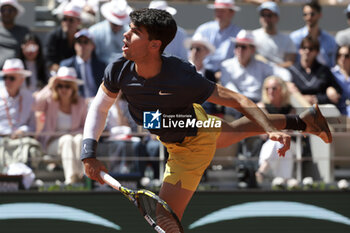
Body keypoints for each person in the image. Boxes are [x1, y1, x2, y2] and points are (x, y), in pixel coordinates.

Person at [80, 8, 332, 220]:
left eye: (135, 31)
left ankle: (301, 122)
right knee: (234, 131)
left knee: (164, 221)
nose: (126, 33)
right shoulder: (118, 70)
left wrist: (270, 130)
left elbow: (237, 99)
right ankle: (304, 121)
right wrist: (89, 153)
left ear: (155, 45)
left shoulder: (181, 76)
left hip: (189, 145)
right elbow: (100, 107)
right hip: (182, 121)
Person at [35, 66, 87, 185]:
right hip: (52, 143)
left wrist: (69, 133)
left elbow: (86, 127)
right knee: (68, 139)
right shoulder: (50, 100)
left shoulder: (81, 103)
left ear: (73, 88)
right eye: (60, 86)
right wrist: (49, 86)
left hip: (73, 140)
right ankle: (71, 179)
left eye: (67, 86)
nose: (63, 89)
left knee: (79, 138)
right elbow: (36, 104)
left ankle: (81, 176)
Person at [220, 30, 291, 106]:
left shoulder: (260, 65)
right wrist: (243, 100)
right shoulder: (226, 65)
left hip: (255, 103)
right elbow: (229, 87)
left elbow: (284, 73)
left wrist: (286, 82)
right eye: (237, 46)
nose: (239, 50)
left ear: (252, 50)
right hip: (235, 102)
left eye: (243, 47)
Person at [0, 58, 41, 172]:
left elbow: (32, 126)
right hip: (1, 140)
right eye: (5, 77)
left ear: (21, 80)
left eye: (11, 78)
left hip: (21, 140)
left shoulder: (29, 98)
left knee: (30, 149)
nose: (7, 81)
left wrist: (22, 130)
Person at [256, 76, 295, 184]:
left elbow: (290, 130)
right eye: (267, 88)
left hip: (290, 144)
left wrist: (276, 131)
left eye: (274, 88)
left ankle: (262, 171)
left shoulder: (290, 109)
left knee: (280, 141)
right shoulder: (261, 107)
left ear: (282, 89)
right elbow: (265, 132)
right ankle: (285, 180)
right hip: (266, 145)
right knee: (278, 142)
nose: (270, 91)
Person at [288, 35, 342, 106]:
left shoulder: (324, 70)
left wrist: (317, 99)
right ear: (300, 50)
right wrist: (302, 98)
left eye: (311, 49)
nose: (307, 51)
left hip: (321, 107)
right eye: (304, 48)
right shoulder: (292, 71)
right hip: (298, 107)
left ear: (317, 52)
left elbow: (337, 92)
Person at [193, 0, 241, 73]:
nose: (218, 14)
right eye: (217, 10)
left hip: (229, 73)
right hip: (203, 72)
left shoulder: (239, 33)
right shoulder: (203, 29)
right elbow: (192, 53)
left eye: (222, 11)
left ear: (232, 13)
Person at [289, 0, 337, 68]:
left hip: (323, 76)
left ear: (320, 15)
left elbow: (332, 64)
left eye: (312, 14)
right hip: (299, 76)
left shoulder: (330, 40)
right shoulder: (294, 38)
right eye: (305, 14)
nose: (309, 17)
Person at [184, 33, 223, 115]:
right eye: (192, 48)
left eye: (198, 49)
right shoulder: (181, 70)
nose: (194, 52)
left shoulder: (210, 74)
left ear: (207, 52)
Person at [60, 28, 105, 98]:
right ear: (75, 46)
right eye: (79, 42)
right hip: (75, 104)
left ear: (92, 46)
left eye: (86, 42)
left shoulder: (101, 66)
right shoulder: (66, 66)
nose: (82, 45)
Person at [252, 1, 296, 68]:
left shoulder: (287, 39)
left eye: (269, 15)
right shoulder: (253, 36)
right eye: (263, 15)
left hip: (279, 74)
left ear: (277, 18)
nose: (266, 18)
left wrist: (272, 67)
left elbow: (290, 62)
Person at [89, 0, 132, 64]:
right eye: (114, 24)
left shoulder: (130, 33)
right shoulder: (94, 32)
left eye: (120, 24)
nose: (117, 26)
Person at [45, 2, 82, 75]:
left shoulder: (83, 38)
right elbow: (49, 62)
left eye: (71, 20)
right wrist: (64, 73)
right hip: (57, 75)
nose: (67, 22)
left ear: (79, 22)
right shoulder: (53, 36)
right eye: (64, 19)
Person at [0, 0, 30, 68]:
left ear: (16, 12)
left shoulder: (24, 31)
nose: (6, 13)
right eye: (3, 10)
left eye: (10, 10)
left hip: (17, 74)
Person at [331, 45, 350, 117]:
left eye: (346, 56)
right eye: (339, 55)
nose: (343, 58)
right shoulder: (331, 73)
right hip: (336, 111)